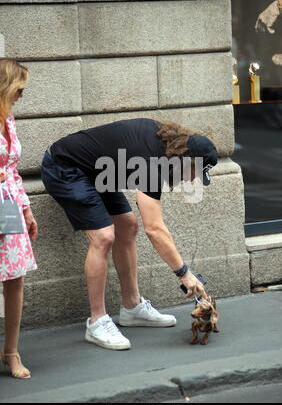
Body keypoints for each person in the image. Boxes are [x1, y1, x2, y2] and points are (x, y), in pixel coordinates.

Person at [41, 118, 217, 351]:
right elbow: (154, 228)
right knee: (103, 237)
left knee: (128, 225)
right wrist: (184, 273)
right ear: (185, 159)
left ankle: (132, 307)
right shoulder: (152, 162)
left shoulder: (164, 147)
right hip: (64, 167)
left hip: (96, 171)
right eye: (194, 172)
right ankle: (97, 322)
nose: (192, 179)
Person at [0, 59, 38, 378]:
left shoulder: (8, 121)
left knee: (15, 279)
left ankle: (11, 352)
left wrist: (25, 208)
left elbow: (11, 168)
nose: (22, 95)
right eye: (19, 88)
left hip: (8, 205)